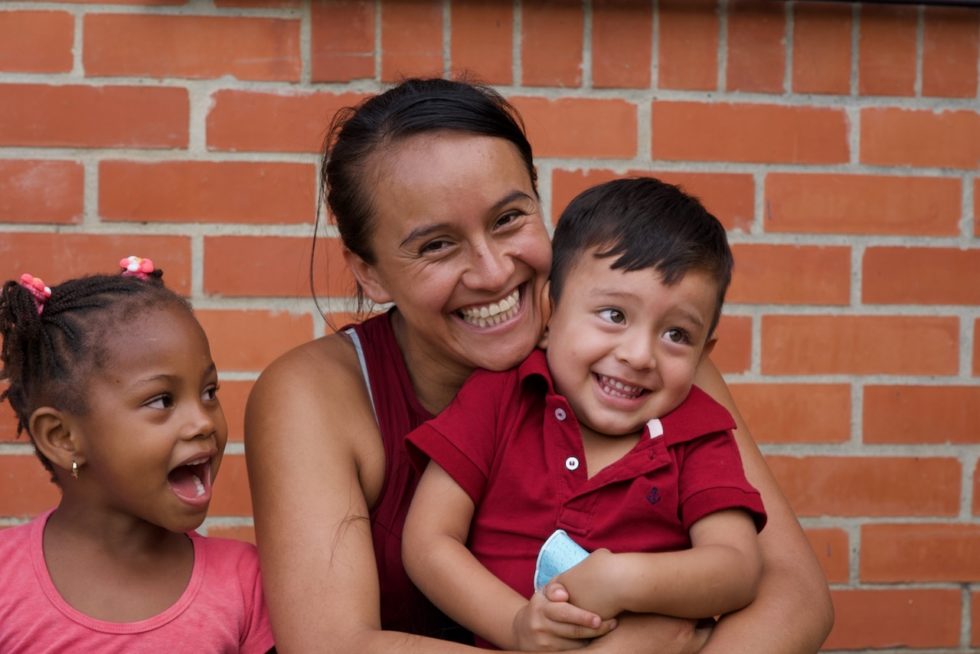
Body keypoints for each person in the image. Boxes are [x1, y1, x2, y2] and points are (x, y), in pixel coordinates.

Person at [244, 77, 833, 652]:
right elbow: (331, 643)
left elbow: (796, 599)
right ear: (367, 271)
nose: (495, 271)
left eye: (508, 219)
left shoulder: (638, 360)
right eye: (436, 245)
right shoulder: (314, 395)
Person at [403, 177, 767, 650]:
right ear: (550, 312)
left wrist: (625, 578)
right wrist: (516, 624)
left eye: (676, 334)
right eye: (614, 315)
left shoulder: (696, 433)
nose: (639, 355)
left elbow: (737, 568)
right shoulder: (500, 398)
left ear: (703, 354)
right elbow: (429, 542)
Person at [0, 258, 275, 653]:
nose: (202, 422)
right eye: (162, 400)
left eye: (209, 393)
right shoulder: (6, 584)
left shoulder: (244, 583)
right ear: (61, 437)